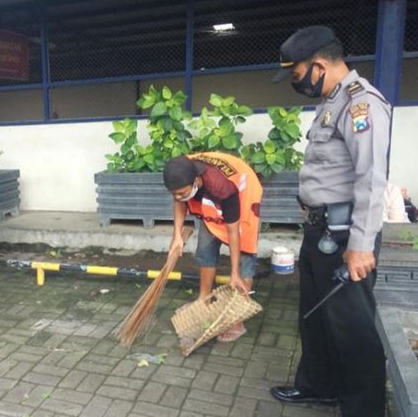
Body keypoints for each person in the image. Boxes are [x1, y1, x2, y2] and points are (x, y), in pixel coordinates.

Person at [269, 26, 390, 417]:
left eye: (296, 73)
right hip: (319, 231)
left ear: (319, 65)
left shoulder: (361, 105)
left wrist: (360, 245)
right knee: (316, 318)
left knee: (352, 328)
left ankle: (363, 409)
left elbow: (371, 179)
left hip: (344, 237)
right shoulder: (330, 102)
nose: (295, 81)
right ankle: (318, 386)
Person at [165, 152, 262, 342]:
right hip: (211, 192)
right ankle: (204, 300)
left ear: (196, 181)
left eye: (182, 193)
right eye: (174, 193)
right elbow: (179, 200)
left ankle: (237, 320)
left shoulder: (223, 188)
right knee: (206, 246)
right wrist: (177, 235)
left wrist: (234, 273)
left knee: (244, 255)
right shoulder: (181, 172)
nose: (178, 196)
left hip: (243, 193)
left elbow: (234, 233)